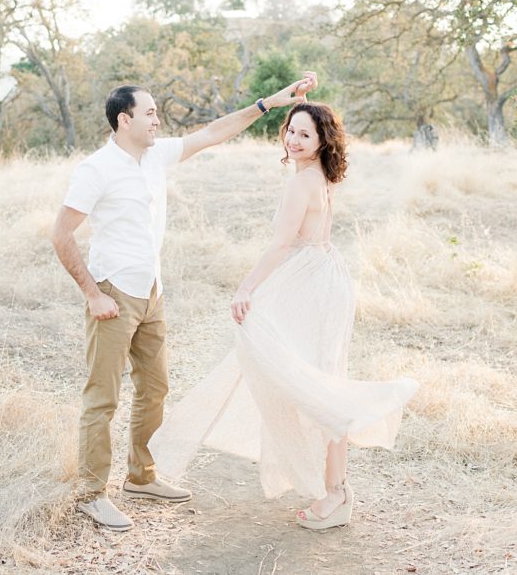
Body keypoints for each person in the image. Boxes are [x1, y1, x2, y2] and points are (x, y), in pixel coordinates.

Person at [51, 73, 318, 532]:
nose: (158, 119)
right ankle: (91, 493)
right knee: (103, 398)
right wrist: (93, 295)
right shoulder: (96, 169)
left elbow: (213, 132)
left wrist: (268, 104)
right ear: (124, 119)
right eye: (150, 112)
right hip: (113, 294)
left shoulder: (155, 156)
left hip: (151, 292)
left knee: (154, 389)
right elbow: (61, 234)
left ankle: (141, 476)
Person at [149, 101, 419, 530]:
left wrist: (246, 288)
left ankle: (335, 492)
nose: (293, 140)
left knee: (312, 384)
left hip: (312, 282)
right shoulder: (320, 176)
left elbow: (280, 244)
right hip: (323, 276)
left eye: (305, 135)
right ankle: (335, 487)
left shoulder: (303, 183)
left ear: (321, 142)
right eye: (290, 130)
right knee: (313, 379)